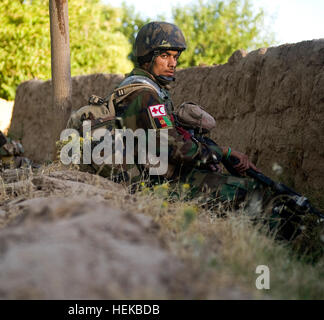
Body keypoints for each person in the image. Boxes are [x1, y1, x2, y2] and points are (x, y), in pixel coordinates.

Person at [114, 21, 270, 207]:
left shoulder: (136, 87)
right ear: (147, 58)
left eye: (175, 56)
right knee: (250, 192)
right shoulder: (145, 94)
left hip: (155, 175)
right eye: (165, 56)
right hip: (152, 185)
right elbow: (171, 146)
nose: (173, 63)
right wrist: (222, 153)